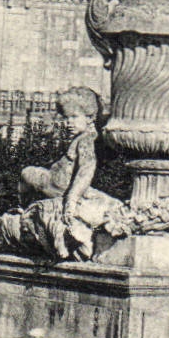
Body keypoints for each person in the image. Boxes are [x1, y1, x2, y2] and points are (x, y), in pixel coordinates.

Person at [18, 87, 103, 258]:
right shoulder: (82, 137)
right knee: (28, 175)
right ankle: (23, 209)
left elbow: (86, 170)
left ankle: (22, 209)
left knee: (27, 173)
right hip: (55, 183)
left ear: (90, 117)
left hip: (59, 187)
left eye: (73, 117)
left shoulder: (86, 140)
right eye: (66, 118)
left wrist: (71, 199)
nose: (68, 122)